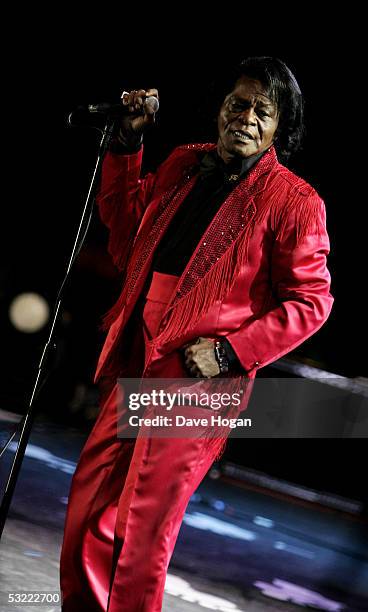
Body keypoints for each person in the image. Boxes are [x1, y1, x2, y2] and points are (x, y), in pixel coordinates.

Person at [60, 57, 333, 611]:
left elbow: (313, 301)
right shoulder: (187, 162)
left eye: (264, 110)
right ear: (220, 109)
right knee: (90, 509)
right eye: (239, 103)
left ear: (281, 126)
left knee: (140, 530)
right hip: (139, 350)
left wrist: (232, 351)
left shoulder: (294, 201)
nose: (247, 118)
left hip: (198, 374)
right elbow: (127, 233)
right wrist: (127, 147)